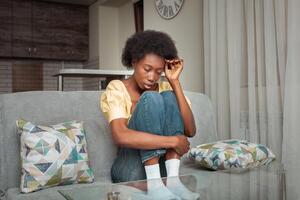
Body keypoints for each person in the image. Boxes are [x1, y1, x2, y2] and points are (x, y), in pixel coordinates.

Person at [100, 30, 199, 200]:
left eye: (159, 72)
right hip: (130, 169)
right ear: (134, 62)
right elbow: (120, 136)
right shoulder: (117, 88)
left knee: (168, 96)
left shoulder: (166, 89)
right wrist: (173, 141)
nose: (152, 77)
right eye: (147, 69)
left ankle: (173, 182)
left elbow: (190, 130)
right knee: (151, 98)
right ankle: (155, 186)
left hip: (163, 171)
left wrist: (174, 82)